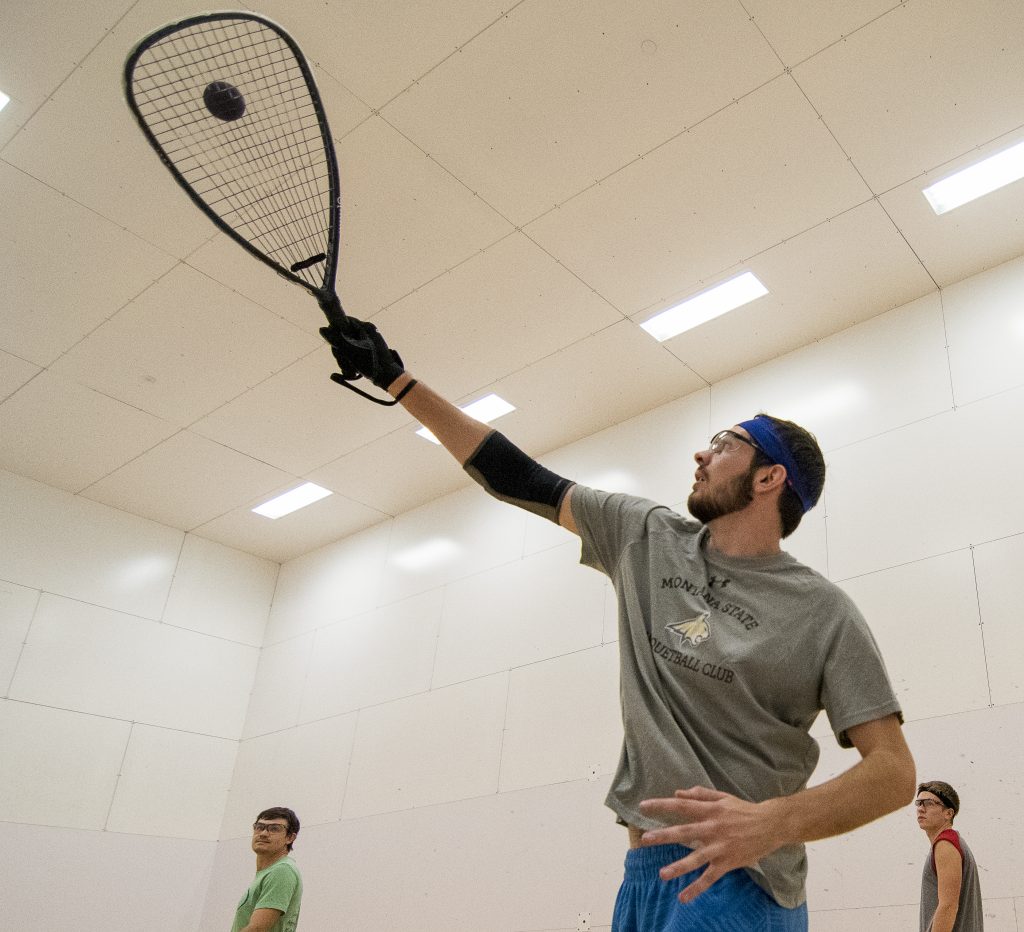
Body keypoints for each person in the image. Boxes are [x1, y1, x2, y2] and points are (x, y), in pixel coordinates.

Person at [319, 318, 916, 931]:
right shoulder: (646, 535)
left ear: (768, 478)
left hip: (739, 882)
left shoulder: (823, 612)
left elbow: (894, 772)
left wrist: (771, 823)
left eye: (724, 444)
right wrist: (397, 380)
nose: (702, 454)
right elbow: (517, 476)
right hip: (644, 875)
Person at [916, 782, 984, 932]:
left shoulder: (945, 844)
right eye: (919, 803)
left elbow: (948, 906)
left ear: (948, 813)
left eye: (929, 803)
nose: (921, 808)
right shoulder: (951, 843)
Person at [231, 807, 303, 932]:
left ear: (290, 838)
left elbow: (257, 929)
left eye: (274, 828)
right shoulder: (270, 872)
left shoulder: (282, 871)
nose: (263, 833)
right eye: (259, 827)